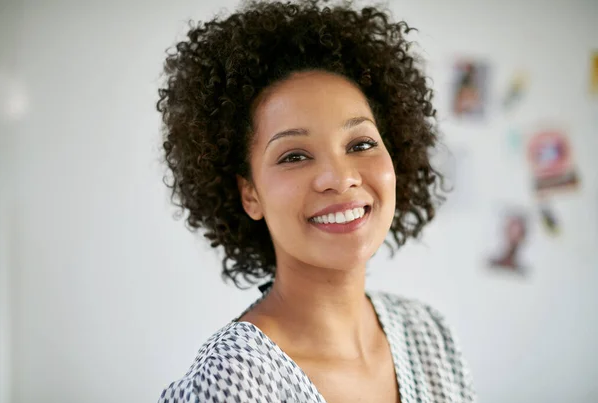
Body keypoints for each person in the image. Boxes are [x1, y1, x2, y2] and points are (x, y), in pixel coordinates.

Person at [156, 0, 475, 401]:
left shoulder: (428, 334)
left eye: (360, 143)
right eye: (294, 156)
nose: (340, 178)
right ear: (250, 194)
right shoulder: (230, 384)